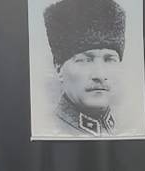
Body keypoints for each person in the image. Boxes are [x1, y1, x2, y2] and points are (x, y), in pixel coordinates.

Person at [42, 0, 127, 137]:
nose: (100, 75)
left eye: (109, 59)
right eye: (85, 60)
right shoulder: (47, 129)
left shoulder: (125, 128)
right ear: (58, 68)